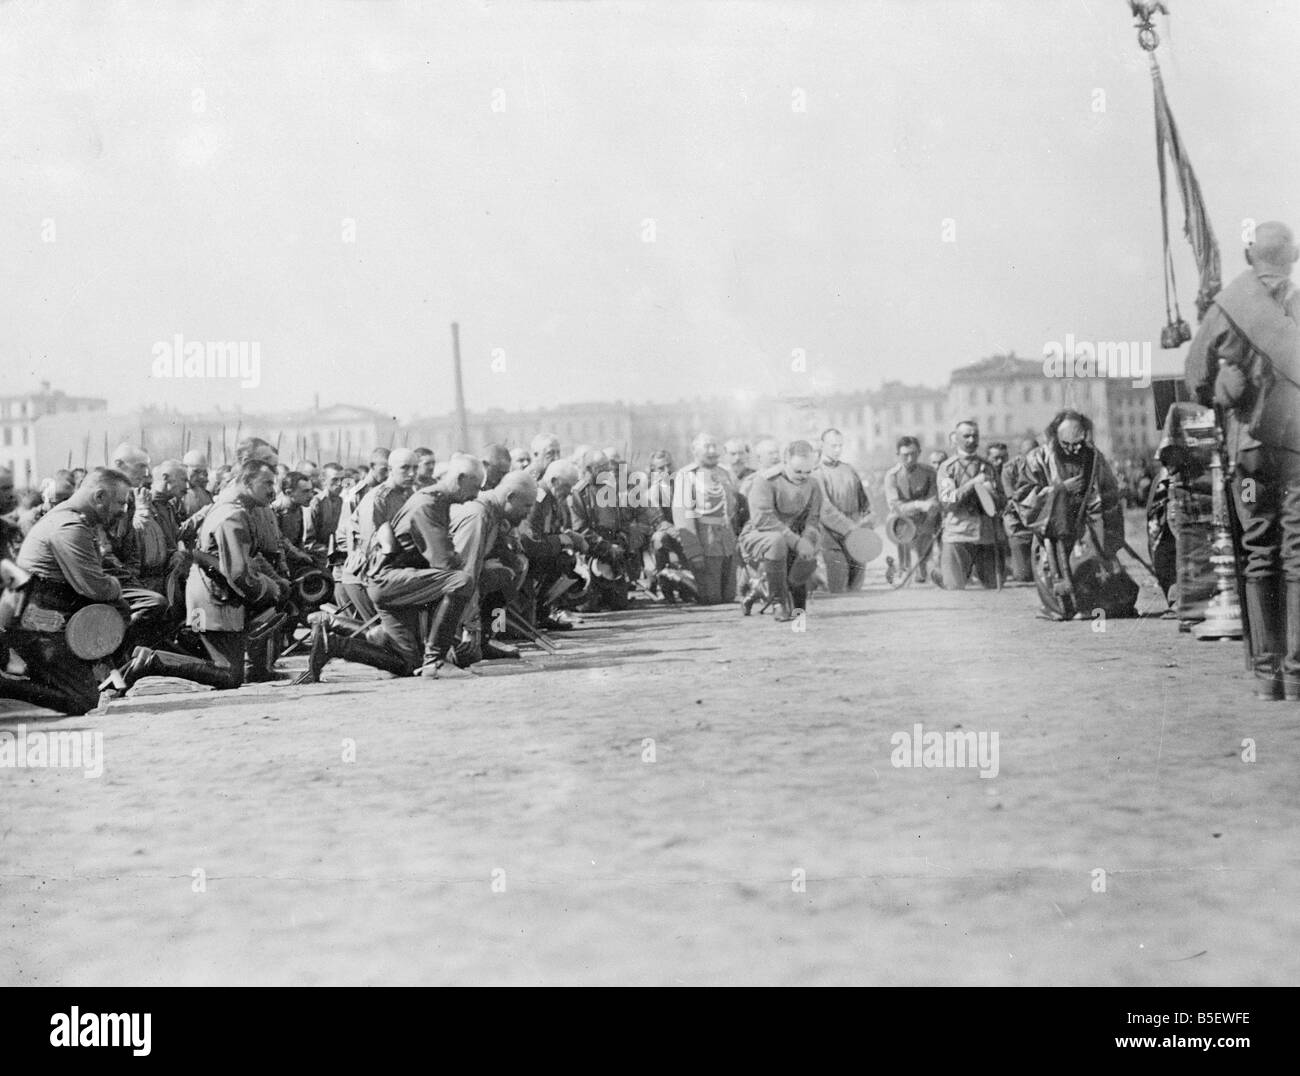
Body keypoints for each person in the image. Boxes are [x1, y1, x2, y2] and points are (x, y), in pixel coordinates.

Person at [1185, 219, 1300, 700]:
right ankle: (1297, 672)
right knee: (1298, 549)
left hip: (1247, 451)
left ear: (1252, 258)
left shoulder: (1228, 307)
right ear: (1292, 258)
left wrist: (1224, 384)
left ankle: (1268, 671)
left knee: (1258, 549)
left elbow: (1194, 380)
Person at [104, 459, 287, 698]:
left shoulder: (233, 509)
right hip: (216, 600)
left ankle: (154, 660)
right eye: (267, 483)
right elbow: (239, 573)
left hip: (216, 596)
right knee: (229, 675)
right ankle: (153, 661)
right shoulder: (233, 515)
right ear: (246, 481)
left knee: (228, 671)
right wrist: (271, 588)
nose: (273, 490)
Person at [303, 454, 482, 683]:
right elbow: (444, 564)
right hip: (385, 580)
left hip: (396, 583)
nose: (475, 495)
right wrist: (467, 622)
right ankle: (436, 660)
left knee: (409, 663)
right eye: (474, 487)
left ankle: (334, 644)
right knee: (462, 581)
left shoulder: (433, 500)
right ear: (461, 478)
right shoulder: (429, 503)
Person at [0, 468, 134, 714]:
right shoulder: (69, 525)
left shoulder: (75, 520)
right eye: (120, 502)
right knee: (83, 700)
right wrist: (114, 585)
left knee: (97, 689)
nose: (123, 510)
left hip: (50, 620)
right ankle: (7, 686)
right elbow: (95, 587)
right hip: (38, 626)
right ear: (100, 496)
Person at [1010, 411, 1130, 618]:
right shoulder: (1037, 458)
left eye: (1079, 442)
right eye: (1068, 444)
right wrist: (1060, 490)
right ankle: (1067, 606)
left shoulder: (1093, 456)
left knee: (1096, 569)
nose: (1075, 449)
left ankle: (1091, 607)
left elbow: (1108, 491)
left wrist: (1111, 496)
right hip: (1053, 530)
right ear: (1055, 436)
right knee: (1059, 576)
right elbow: (1024, 497)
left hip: (1089, 526)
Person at [451, 471, 539, 662]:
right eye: (526, 506)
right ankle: (460, 638)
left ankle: (489, 637)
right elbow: (465, 572)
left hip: (460, 579)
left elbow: (499, 549)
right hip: (447, 583)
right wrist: (470, 625)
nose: (528, 513)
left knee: (507, 573)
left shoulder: (495, 513)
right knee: (496, 576)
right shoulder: (479, 514)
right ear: (510, 497)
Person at [737, 440, 823, 621]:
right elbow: (763, 518)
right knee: (777, 541)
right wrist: (797, 542)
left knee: (814, 541)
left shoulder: (813, 485)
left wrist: (807, 540)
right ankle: (778, 602)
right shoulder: (767, 480)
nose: (803, 476)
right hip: (760, 533)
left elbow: (813, 519)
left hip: (793, 535)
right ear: (785, 461)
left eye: (808, 471)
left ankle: (793, 593)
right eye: (798, 471)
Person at [936, 420, 1004, 589]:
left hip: (985, 535)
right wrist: (973, 483)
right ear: (956, 439)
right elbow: (947, 502)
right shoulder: (948, 468)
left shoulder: (988, 467)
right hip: (958, 534)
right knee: (954, 587)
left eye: (975, 436)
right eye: (966, 436)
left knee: (994, 585)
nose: (971, 440)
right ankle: (940, 573)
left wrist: (992, 494)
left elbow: (1002, 502)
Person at [672, 433, 739, 604]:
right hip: (706, 544)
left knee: (729, 597)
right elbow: (683, 518)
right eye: (706, 447)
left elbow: (733, 510)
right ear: (694, 451)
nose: (712, 451)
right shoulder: (687, 475)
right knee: (711, 598)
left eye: (714, 447)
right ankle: (679, 579)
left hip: (727, 542)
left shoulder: (725, 473)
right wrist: (694, 553)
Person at [518, 459, 585, 628]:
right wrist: (560, 540)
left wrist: (567, 537)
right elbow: (531, 539)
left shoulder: (551, 497)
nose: (569, 493)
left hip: (540, 550)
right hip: (526, 553)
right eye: (567, 487)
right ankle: (534, 615)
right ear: (554, 481)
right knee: (559, 560)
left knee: (565, 559)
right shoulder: (538, 497)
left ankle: (543, 613)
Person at [813, 428, 872, 591]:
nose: (838, 450)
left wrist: (866, 521)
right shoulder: (817, 473)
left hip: (855, 537)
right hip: (831, 538)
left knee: (856, 585)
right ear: (822, 445)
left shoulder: (849, 470)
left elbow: (864, 502)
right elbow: (825, 510)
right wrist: (851, 528)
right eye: (833, 446)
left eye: (840, 446)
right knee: (837, 585)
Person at [883, 436, 940, 583]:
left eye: (913, 454)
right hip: (902, 522)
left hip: (925, 521)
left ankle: (923, 572)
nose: (909, 459)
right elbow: (895, 506)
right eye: (905, 455)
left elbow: (933, 500)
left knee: (924, 567)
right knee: (906, 566)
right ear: (898, 455)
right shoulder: (892, 476)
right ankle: (902, 570)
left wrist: (928, 518)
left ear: (919, 452)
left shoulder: (929, 472)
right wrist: (918, 505)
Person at [1000, 438, 1040, 584]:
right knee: (1023, 577)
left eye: (1035, 454)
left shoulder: (1044, 463)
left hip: (1040, 519)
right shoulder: (1009, 468)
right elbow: (1011, 496)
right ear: (1019, 454)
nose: (1031, 459)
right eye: (1027, 455)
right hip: (1018, 522)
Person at [180, 449, 214, 520]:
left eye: (203, 472)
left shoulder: (207, 495)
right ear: (185, 469)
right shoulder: (178, 496)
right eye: (196, 471)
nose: (201, 476)